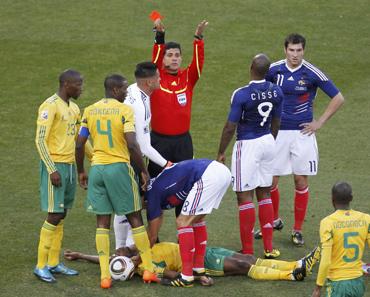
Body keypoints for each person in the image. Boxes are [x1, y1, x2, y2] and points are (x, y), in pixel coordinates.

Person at [255, 33, 345, 246]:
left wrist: (319, 122)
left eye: (299, 50)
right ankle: (274, 220)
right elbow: (258, 93)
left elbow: (338, 97)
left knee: (300, 180)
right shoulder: (274, 70)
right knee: (271, 181)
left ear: (304, 50)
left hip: (303, 134)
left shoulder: (311, 72)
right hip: (276, 134)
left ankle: (297, 230)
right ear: (285, 50)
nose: (295, 54)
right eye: (291, 50)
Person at [75, 74, 158, 289]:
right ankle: (148, 269)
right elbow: (132, 144)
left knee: (101, 223)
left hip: (97, 170)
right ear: (114, 90)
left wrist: (81, 171)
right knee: (134, 218)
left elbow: (80, 143)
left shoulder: (90, 110)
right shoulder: (125, 111)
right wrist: (143, 171)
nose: (126, 92)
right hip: (119, 168)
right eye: (123, 89)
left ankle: (105, 275)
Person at [217, 54, 284, 259]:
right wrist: (270, 141)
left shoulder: (242, 94)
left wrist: (221, 152)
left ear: (250, 68)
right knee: (264, 193)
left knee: (244, 196)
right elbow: (277, 121)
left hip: (248, 145)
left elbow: (230, 126)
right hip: (268, 142)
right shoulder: (277, 91)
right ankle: (269, 248)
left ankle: (247, 251)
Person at [34, 69, 92, 283]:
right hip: (56, 166)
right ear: (67, 84)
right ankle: (40, 265)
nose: (81, 88)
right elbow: (40, 140)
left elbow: (80, 139)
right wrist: (51, 169)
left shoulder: (75, 108)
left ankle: (53, 262)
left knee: (62, 215)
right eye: (78, 84)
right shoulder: (49, 106)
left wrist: (95, 158)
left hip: (68, 166)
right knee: (54, 215)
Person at [146, 159, 231, 287]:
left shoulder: (151, 195)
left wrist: (138, 258)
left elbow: (152, 236)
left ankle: (186, 277)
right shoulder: (156, 186)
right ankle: (198, 270)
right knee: (197, 220)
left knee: (183, 222)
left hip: (208, 174)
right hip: (222, 171)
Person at [64, 241, 320, 283]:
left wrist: (80, 256)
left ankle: (296, 264)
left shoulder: (136, 250)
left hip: (200, 247)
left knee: (248, 257)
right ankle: (290, 275)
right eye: (125, 257)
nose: (123, 253)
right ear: (131, 269)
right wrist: (197, 277)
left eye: (121, 255)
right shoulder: (147, 267)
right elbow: (172, 277)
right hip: (199, 263)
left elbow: (103, 260)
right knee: (244, 267)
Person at [114, 62, 172, 243]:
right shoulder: (140, 105)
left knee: (124, 205)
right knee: (133, 206)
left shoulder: (132, 89)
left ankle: (120, 249)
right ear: (149, 82)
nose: (160, 78)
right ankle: (129, 250)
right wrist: (167, 164)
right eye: (157, 76)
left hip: (116, 154)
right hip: (128, 158)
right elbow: (143, 146)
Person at [148, 18, 208, 180]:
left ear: (181, 58)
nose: (174, 58)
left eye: (177, 55)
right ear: (164, 58)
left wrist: (198, 39)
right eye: (170, 55)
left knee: (184, 186)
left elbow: (198, 63)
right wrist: (160, 38)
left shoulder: (188, 77)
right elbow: (154, 61)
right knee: (154, 186)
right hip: (159, 142)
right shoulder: (155, 78)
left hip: (183, 142)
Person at [311, 182, 370, 297]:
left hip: (337, 284)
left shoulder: (327, 223)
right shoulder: (366, 219)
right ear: (351, 198)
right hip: (358, 283)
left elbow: (326, 260)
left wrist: (318, 287)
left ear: (332, 199)